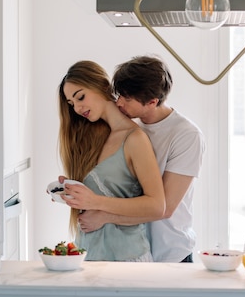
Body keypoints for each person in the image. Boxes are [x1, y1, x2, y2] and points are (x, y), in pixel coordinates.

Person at [78, 55, 205, 263]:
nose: (118, 102)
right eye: (119, 95)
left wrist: (104, 216)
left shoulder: (186, 135)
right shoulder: (127, 127)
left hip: (170, 253)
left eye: (127, 99)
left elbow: (165, 208)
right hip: (132, 249)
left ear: (152, 102)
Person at [57, 60, 165, 262]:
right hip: (87, 256)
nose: (78, 108)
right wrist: (72, 192)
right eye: (71, 104)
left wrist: (95, 202)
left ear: (103, 86)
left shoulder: (135, 138)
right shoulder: (90, 139)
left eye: (80, 97)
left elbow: (157, 206)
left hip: (127, 260)